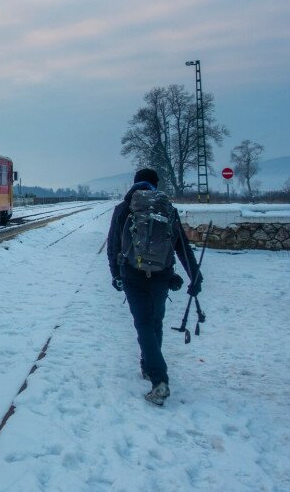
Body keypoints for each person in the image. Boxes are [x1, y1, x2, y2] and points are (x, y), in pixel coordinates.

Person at [106, 168, 202, 406]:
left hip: (132, 275)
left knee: (143, 324)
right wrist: (195, 276)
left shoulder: (124, 208)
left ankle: (159, 379)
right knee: (155, 322)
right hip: (162, 275)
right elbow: (181, 246)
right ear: (155, 184)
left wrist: (115, 274)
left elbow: (113, 246)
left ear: (136, 183)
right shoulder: (167, 208)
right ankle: (149, 367)